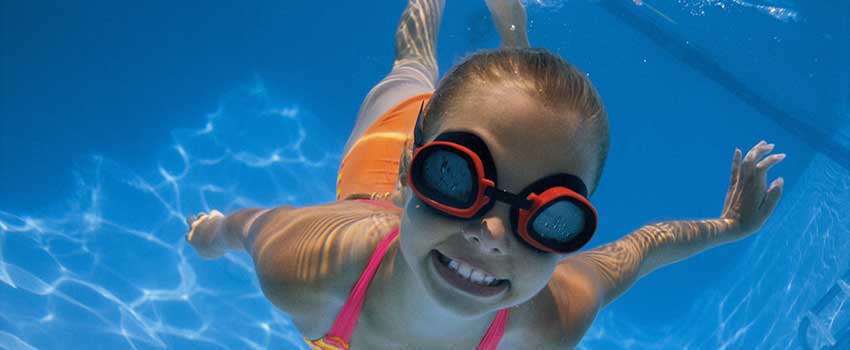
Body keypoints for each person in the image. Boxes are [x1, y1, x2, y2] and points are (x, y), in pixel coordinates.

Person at [185, 0, 786, 348]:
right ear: (410, 170)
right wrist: (211, 233)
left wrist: (730, 226)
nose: (493, 234)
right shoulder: (308, 268)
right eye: (454, 178)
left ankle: (512, 46)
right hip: (378, 160)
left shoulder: (548, 322)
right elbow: (249, 226)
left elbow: (634, 253)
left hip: (429, 145)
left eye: (548, 215)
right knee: (414, 60)